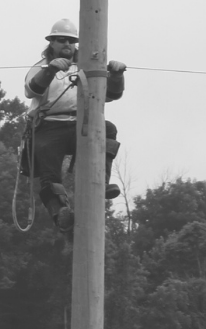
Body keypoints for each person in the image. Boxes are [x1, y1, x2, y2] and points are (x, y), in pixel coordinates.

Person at [22, 18, 127, 235]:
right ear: (51, 43)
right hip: (50, 125)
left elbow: (112, 94)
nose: (67, 44)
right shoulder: (40, 68)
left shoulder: (87, 69)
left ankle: (102, 183)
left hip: (80, 124)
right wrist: (50, 70)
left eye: (71, 40)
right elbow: (32, 89)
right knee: (49, 172)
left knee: (108, 129)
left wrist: (116, 75)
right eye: (61, 40)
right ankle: (61, 213)